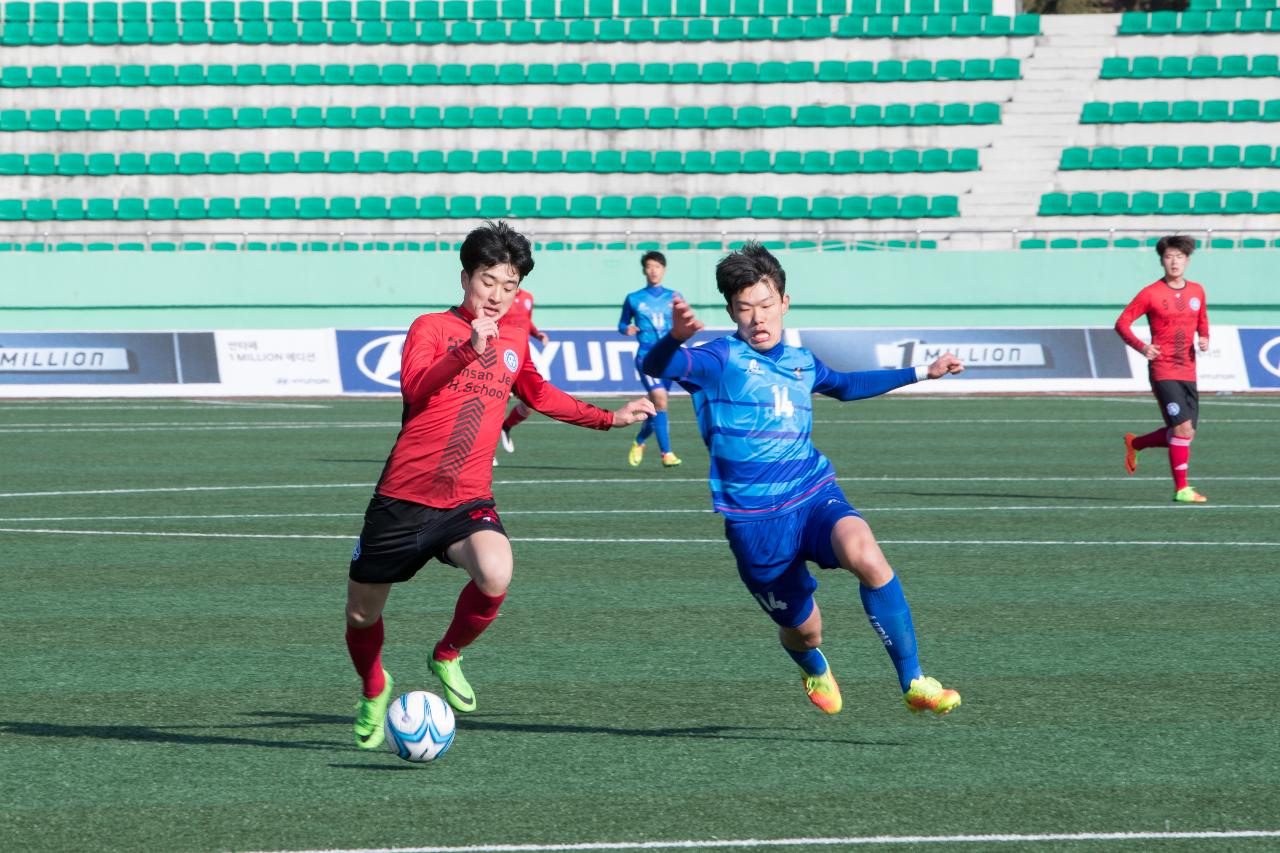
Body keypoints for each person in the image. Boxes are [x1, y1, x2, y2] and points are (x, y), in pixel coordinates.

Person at [345, 221, 655, 749]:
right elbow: (416, 389)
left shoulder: (513, 338)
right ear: (465, 276)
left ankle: (446, 654)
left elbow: (538, 394)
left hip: (466, 499)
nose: (497, 296)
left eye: (509, 286)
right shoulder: (431, 327)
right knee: (361, 614)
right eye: (488, 281)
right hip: (403, 498)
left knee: (496, 570)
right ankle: (375, 688)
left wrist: (611, 419)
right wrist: (467, 348)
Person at [641, 242, 963, 717]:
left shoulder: (802, 362)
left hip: (812, 492)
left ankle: (914, 680)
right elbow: (657, 366)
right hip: (754, 522)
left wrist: (923, 371)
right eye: (746, 308)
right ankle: (812, 664)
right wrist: (673, 338)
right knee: (805, 630)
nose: (758, 318)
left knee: (866, 553)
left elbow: (847, 386)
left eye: (767, 305)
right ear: (731, 311)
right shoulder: (718, 359)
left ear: (784, 303)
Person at [1115, 235, 1211, 503]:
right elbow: (1121, 323)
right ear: (1162, 261)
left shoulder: (1197, 291)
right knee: (1181, 430)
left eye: (1179, 257)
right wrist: (1142, 347)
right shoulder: (1150, 293)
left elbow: (1202, 319)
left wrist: (1204, 338)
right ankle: (1182, 489)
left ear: (1187, 260)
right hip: (1163, 369)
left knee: (1186, 432)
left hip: (1188, 369)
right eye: (1169, 257)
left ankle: (1135, 444)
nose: (1174, 261)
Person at [618, 250, 682, 468]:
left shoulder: (674, 296)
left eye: (657, 266)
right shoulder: (634, 298)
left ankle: (639, 440)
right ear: (644, 270)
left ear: (663, 270)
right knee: (661, 400)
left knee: (655, 407)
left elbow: (682, 321)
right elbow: (622, 323)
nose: (653, 270)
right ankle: (667, 453)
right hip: (647, 356)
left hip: (669, 357)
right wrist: (626, 328)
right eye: (649, 266)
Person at [497, 286, 548, 457]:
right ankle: (486, 453)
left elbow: (526, 320)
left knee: (530, 403)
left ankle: (507, 426)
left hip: (523, 357)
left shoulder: (528, 297)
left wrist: (537, 334)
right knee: (495, 405)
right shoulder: (499, 296)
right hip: (502, 356)